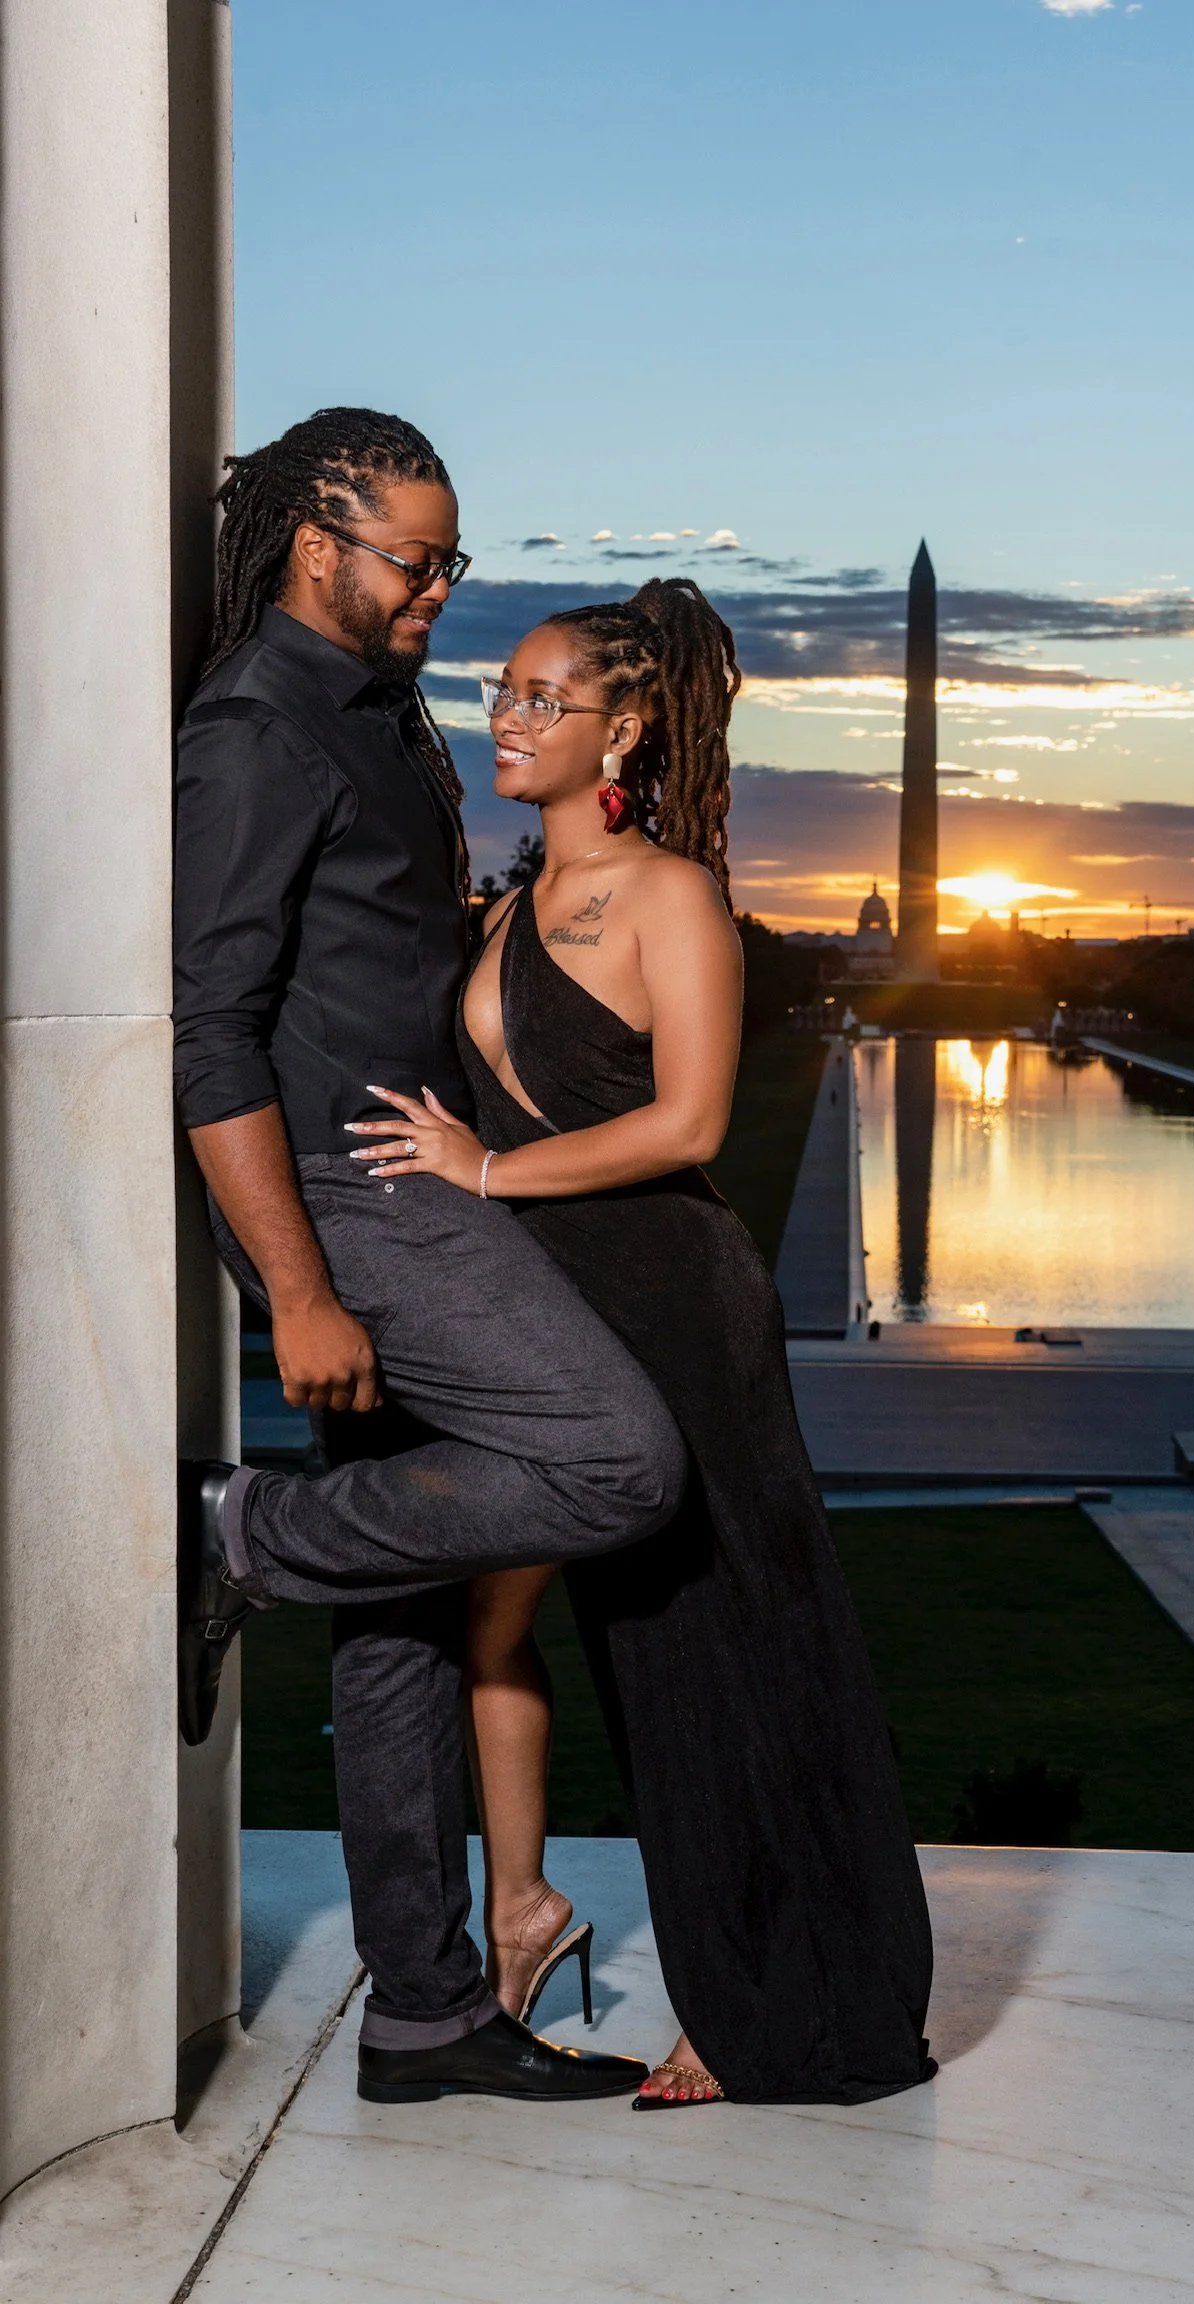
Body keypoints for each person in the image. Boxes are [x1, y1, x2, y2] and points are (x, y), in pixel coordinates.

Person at [346, 578, 936, 2108]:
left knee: (715, 1649)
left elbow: (688, 1123)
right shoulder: (500, 908)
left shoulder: (673, 898)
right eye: (505, 693)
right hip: (534, 1309)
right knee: (489, 1620)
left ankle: (767, 2003)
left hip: (670, 1300)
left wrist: (482, 1171)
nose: (513, 720)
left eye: (548, 699)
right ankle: (527, 1910)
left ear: (627, 725)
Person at [172, 408, 688, 2107]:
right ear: (318, 544)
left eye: (452, 560)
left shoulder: (376, 708)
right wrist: (302, 1288)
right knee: (619, 1461)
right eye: (415, 561)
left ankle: (422, 2012)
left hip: (422, 1173)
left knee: (394, 1622)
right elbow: (210, 1033)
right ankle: (246, 1531)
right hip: (351, 1193)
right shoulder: (257, 730)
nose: (442, 596)